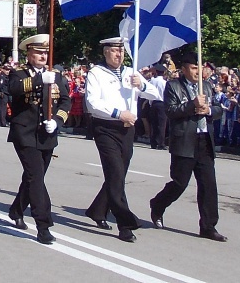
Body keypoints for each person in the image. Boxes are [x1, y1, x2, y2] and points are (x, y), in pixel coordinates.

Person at [84, 37, 159, 242]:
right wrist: (118, 113)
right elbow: (92, 103)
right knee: (115, 173)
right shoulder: (96, 73)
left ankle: (97, 211)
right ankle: (125, 224)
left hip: (127, 129)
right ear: (106, 52)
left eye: (122, 51)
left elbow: (157, 94)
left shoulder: (130, 72)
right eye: (115, 51)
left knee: (118, 175)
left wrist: (142, 86)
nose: (119, 55)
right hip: (106, 128)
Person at [150, 52, 226, 241]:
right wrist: (192, 105)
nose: (197, 71)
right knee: (179, 183)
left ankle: (208, 226)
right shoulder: (173, 86)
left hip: (204, 141)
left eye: (199, 67)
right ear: (183, 70)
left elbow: (218, 109)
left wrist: (208, 110)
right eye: (193, 68)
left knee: (209, 185)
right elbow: (171, 111)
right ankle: (158, 205)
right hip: (185, 141)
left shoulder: (206, 87)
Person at [6, 34, 70, 244]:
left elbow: (65, 102)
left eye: (46, 52)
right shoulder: (18, 73)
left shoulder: (57, 75)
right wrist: (38, 80)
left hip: (47, 134)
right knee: (36, 177)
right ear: (29, 54)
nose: (43, 56)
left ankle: (16, 210)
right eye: (39, 52)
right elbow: (12, 90)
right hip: (24, 133)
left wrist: (58, 122)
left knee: (33, 177)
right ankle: (43, 225)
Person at [148, 64, 168, 150]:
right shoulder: (164, 83)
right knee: (162, 124)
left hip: (153, 103)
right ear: (163, 73)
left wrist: (150, 102)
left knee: (154, 123)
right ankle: (160, 143)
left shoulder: (152, 81)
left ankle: (153, 142)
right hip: (162, 103)